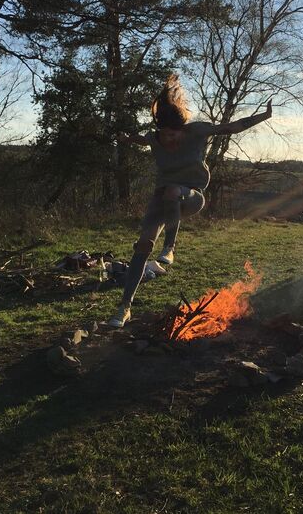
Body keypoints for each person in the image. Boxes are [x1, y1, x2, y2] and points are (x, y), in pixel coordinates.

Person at [110, 74, 272, 328]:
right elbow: (141, 140)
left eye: (174, 136)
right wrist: (125, 138)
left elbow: (230, 127)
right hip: (162, 200)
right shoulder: (155, 138)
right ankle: (124, 307)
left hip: (192, 196)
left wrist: (263, 116)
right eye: (164, 136)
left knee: (174, 190)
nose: (169, 141)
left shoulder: (197, 132)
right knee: (142, 246)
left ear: (182, 130)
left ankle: (169, 249)